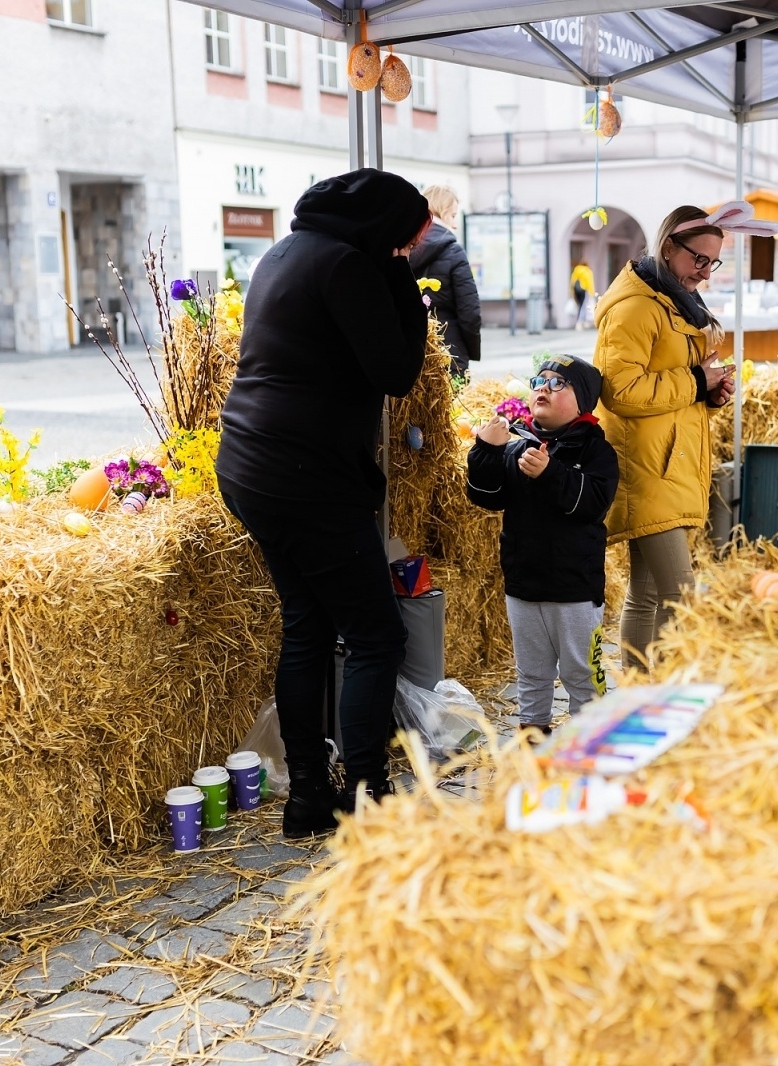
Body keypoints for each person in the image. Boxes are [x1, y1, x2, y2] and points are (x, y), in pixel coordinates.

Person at [215, 169, 432, 836]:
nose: (408, 250)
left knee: (307, 625)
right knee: (376, 636)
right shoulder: (348, 266)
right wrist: (401, 278)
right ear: (383, 227)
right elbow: (397, 370)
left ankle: (309, 793)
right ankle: (368, 793)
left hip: (250, 466)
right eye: (406, 239)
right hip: (306, 476)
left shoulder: (285, 252)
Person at [593, 205, 735, 671]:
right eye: (699, 260)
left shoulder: (672, 301)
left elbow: (668, 385)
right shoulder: (636, 307)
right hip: (648, 466)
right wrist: (695, 381)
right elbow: (620, 391)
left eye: (713, 262)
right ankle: (666, 691)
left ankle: (641, 691)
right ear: (669, 247)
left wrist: (708, 393)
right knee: (681, 595)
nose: (706, 273)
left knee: (647, 593)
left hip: (666, 462)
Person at [466, 355, 618, 735]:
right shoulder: (517, 447)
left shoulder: (595, 451)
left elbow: (592, 504)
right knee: (531, 673)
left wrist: (551, 473)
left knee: (582, 673)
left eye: (557, 383)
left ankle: (589, 743)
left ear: (583, 401)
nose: (543, 389)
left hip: (574, 590)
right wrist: (486, 451)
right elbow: (486, 496)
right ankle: (532, 740)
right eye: (538, 381)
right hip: (524, 585)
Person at [409, 185, 481, 380]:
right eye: (453, 216)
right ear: (441, 211)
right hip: (448, 350)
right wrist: (470, 349)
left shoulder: (401, 248)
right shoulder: (453, 251)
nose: (455, 224)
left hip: (410, 349)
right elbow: (470, 312)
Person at [570, 259, 596, 330]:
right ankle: (580, 322)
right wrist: (592, 292)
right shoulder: (588, 271)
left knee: (580, 306)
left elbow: (572, 281)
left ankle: (579, 322)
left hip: (577, 290)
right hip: (584, 290)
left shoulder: (577, 270)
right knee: (583, 306)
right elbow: (590, 282)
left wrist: (571, 291)